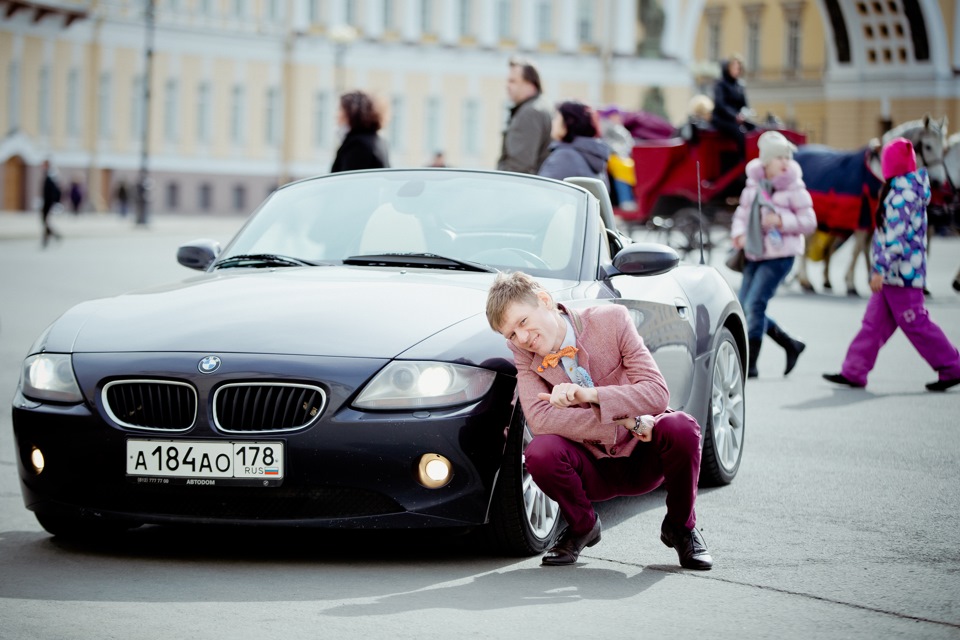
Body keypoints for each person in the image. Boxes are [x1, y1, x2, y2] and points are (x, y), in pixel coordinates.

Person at [485, 271, 713, 570]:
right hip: (590, 466)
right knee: (541, 451)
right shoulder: (524, 354)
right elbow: (539, 420)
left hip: (643, 452)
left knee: (681, 427)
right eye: (512, 334)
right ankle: (582, 526)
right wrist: (628, 421)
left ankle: (680, 527)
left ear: (544, 300)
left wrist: (590, 395)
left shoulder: (612, 320)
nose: (523, 338)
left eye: (523, 322)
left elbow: (657, 393)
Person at [823, 137, 960, 392]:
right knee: (873, 324)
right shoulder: (904, 189)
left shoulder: (901, 194)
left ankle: (953, 366)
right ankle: (853, 370)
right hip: (896, 275)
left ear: (890, 167)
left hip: (901, 276)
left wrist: (880, 270)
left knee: (916, 323)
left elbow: (896, 238)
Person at [730, 131, 817, 378]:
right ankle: (790, 343)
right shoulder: (754, 185)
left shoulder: (793, 185)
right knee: (744, 307)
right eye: (780, 157)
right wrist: (739, 234)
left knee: (754, 305)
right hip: (753, 253)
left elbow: (809, 221)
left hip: (780, 256)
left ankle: (751, 365)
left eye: (787, 158)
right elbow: (741, 215)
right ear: (766, 161)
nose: (785, 162)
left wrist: (781, 219)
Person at [496, 56, 553, 175]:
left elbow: (519, 167)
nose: (507, 86)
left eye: (513, 81)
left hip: (521, 189)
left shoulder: (530, 113)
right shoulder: (540, 106)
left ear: (530, 85)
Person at [537, 100, 610, 190]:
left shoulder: (565, 156)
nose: (553, 122)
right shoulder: (591, 153)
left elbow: (543, 192)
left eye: (556, 118)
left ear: (568, 123)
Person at [330, 90, 390, 173]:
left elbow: (347, 180)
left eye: (340, 109)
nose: (336, 115)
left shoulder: (357, 144)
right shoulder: (377, 140)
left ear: (351, 113)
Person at [711, 55, 754, 162]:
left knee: (754, 129)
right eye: (734, 67)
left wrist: (746, 113)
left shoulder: (740, 85)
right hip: (722, 119)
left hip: (737, 119)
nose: (737, 70)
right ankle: (742, 160)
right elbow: (720, 105)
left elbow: (744, 104)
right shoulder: (720, 84)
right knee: (739, 132)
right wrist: (735, 116)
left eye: (738, 67)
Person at [39, 159, 62, 248]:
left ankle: (49, 236)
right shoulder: (48, 175)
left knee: (45, 220)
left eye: (43, 165)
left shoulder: (51, 176)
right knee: (45, 221)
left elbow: (55, 191)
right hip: (46, 202)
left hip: (48, 203)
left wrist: (55, 203)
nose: (42, 167)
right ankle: (51, 235)